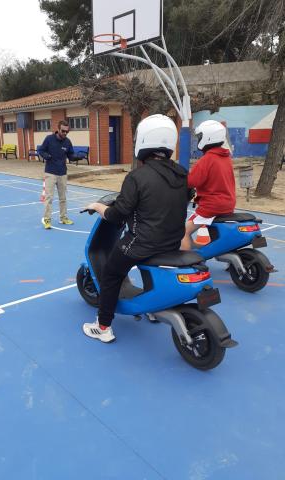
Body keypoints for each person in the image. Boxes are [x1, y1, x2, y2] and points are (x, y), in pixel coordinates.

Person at [82, 114, 189, 343]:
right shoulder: (182, 174)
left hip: (142, 243)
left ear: (143, 141)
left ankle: (103, 327)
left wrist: (97, 206)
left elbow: (116, 214)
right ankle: (150, 306)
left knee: (111, 273)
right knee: (141, 265)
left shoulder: (137, 176)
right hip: (171, 242)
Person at [180, 120, 236, 251]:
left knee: (183, 232)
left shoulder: (206, 160)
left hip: (211, 206)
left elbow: (191, 182)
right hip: (228, 204)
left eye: (200, 137)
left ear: (208, 137)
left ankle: (186, 262)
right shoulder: (226, 157)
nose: (198, 139)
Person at [38, 120, 75, 229]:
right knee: (49, 197)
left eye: (67, 132)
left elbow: (71, 155)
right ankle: (47, 220)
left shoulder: (67, 142)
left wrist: (77, 157)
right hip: (50, 172)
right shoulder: (49, 139)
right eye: (63, 131)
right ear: (58, 129)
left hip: (62, 173)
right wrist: (47, 156)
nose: (65, 133)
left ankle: (63, 218)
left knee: (63, 197)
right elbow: (41, 150)